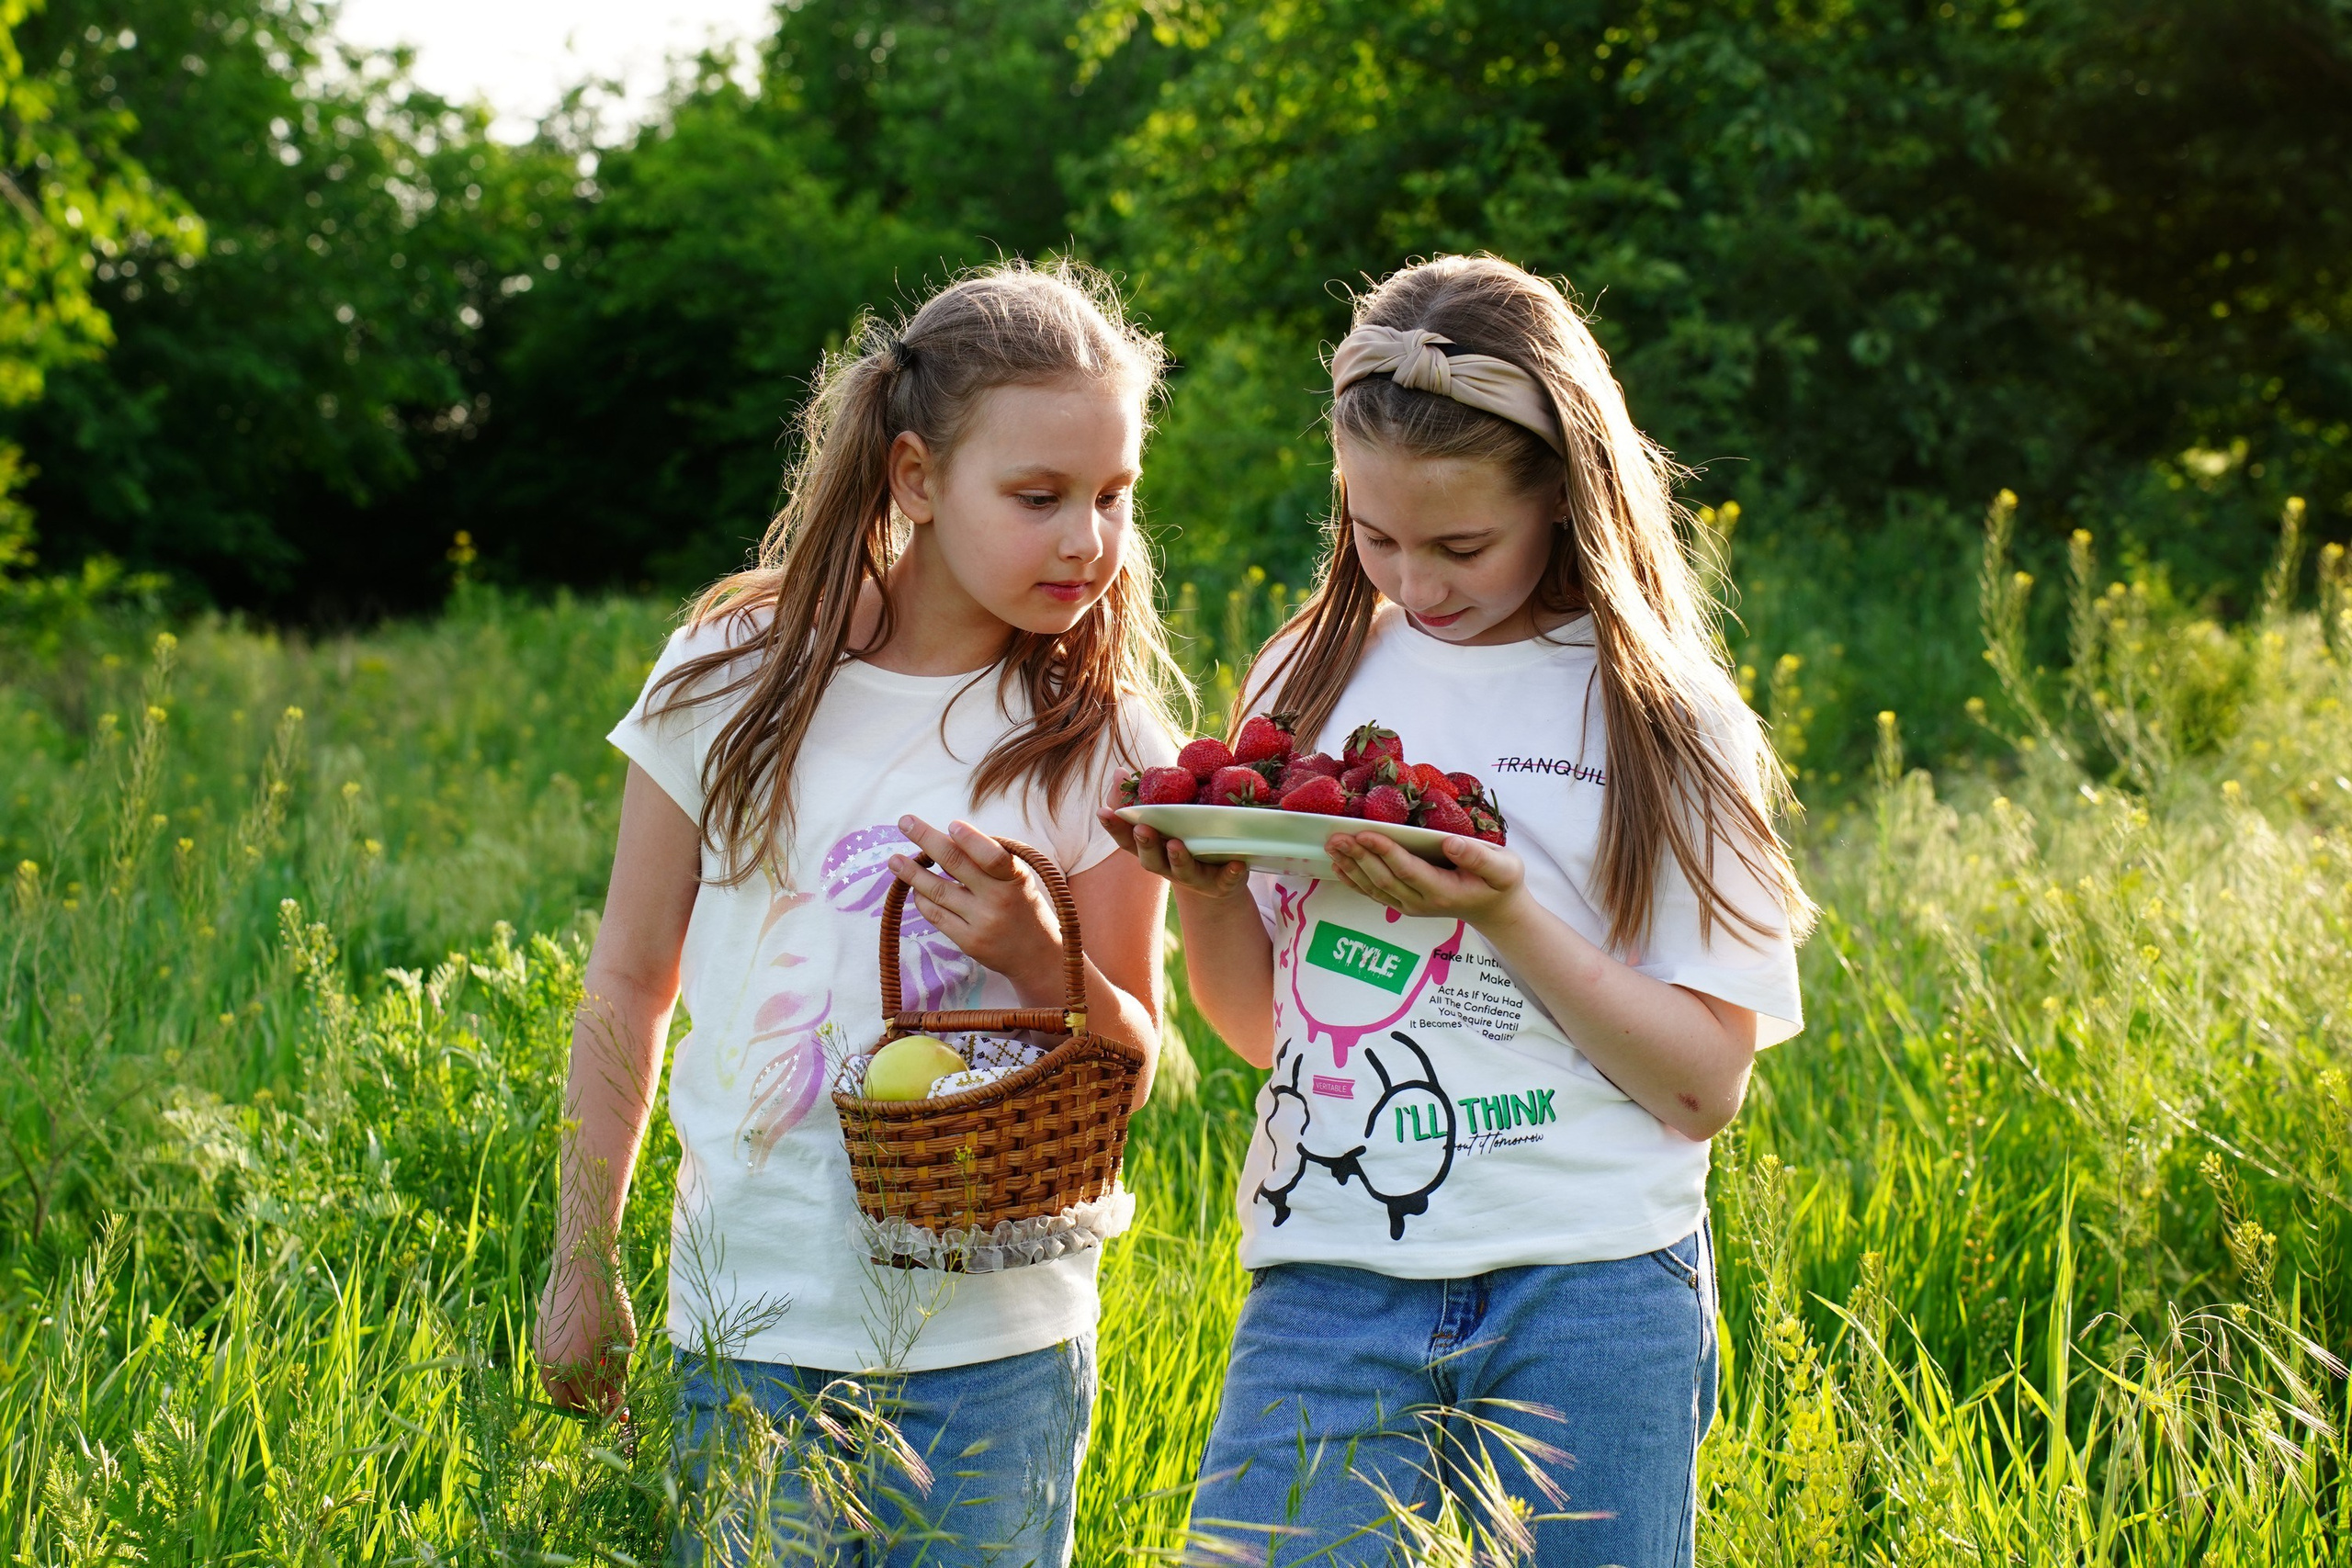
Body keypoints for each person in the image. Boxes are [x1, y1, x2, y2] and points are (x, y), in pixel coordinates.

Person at [1104, 254, 1815, 1567]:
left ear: (1563, 492)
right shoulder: (1309, 674)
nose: (1416, 583)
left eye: (1460, 545)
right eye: (1376, 536)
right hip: (1329, 1274)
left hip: (1592, 1283)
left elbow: (1704, 1086)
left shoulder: (1664, 719)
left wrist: (1507, 914)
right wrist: (1205, 893)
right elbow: (1268, 1032)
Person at [535, 260, 1182, 1566]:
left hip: (1000, 1352)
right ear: (916, 476)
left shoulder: (1101, 740)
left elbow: (1139, 1064)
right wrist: (581, 1261)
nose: (1087, 543)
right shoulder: (730, 677)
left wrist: (1042, 965)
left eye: (1114, 498)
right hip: (752, 1328)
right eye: (1040, 497)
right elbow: (626, 984)